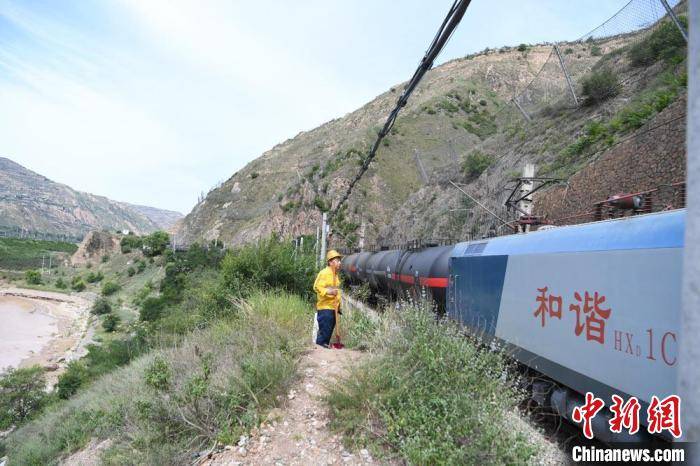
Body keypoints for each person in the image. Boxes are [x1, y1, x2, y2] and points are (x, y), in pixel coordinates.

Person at [313, 249, 342, 348]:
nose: (339, 263)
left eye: (339, 260)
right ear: (330, 262)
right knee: (324, 332)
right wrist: (329, 291)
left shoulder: (335, 274)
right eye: (337, 260)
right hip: (325, 308)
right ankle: (320, 349)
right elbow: (317, 286)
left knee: (328, 331)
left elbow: (336, 290)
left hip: (333, 307)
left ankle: (323, 347)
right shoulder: (324, 273)